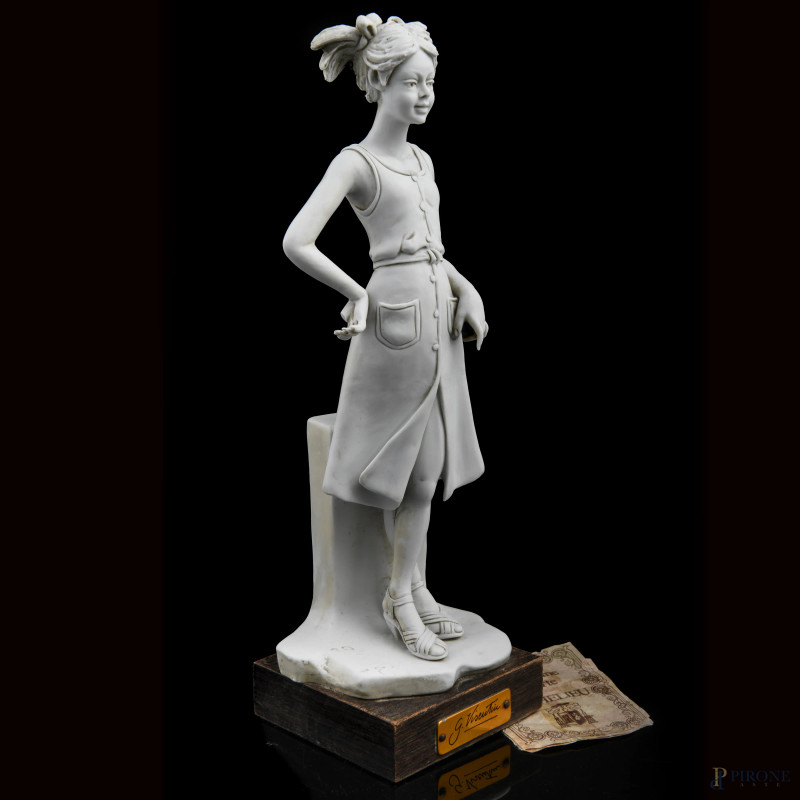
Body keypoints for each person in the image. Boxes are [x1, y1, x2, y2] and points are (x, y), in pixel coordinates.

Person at [283, 14, 489, 661]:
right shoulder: (357, 163)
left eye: (430, 82)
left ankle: (415, 588)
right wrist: (357, 291)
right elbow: (296, 240)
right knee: (411, 473)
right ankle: (398, 600)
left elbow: (433, 252)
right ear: (378, 83)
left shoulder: (423, 160)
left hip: (436, 327)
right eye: (410, 82)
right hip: (393, 331)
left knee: (431, 470)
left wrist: (466, 288)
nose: (424, 94)